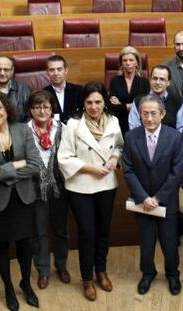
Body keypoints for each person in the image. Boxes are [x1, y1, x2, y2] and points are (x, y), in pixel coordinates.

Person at [58, 82, 124, 301]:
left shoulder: (113, 121)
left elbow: (120, 146)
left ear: (105, 101)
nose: (94, 107)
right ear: (83, 103)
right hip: (80, 185)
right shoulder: (73, 125)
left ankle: (101, 271)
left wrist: (114, 158)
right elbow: (64, 158)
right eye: (89, 102)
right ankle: (87, 278)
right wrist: (91, 168)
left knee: (104, 230)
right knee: (87, 232)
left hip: (106, 184)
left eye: (98, 102)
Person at [123, 94, 183, 296]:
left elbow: (177, 172)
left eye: (153, 113)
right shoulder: (131, 137)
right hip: (143, 202)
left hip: (166, 202)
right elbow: (128, 169)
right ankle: (147, 273)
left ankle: (172, 274)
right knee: (146, 242)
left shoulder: (175, 137)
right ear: (139, 114)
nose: (149, 118)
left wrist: (157, 198)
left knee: (169, 242)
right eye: (144, 113)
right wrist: (143, 197)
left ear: (163, 114)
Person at [0, 90, 40, 311]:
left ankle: (25, 284)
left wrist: (1, 173)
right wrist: (14, 166)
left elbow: (34, 165)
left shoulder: (22, 130)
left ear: (6, 109)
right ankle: (9, 289)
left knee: (25, 245)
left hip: (23, 199)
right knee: (1, 246)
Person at [27, 90, 71, 290]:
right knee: (39, 232)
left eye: (45, 106)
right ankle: (43, 270)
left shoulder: (63, 128)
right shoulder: (24, 131)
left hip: (60, 190)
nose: (42, 110)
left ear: (52, 108)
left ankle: (61, 266)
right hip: (35, 191)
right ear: (31, 110)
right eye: (37, 107)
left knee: (60, 231)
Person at [128, 64, 183, 132]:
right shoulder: (138, 101)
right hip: (143, 141)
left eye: (162, 79)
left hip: (170, 141)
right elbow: (134, 129)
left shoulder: (177, 101)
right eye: (155, 78)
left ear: (168, 82)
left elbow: (180, 130)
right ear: (150, 80)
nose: (157, 82)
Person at [109, 46, 150, 134]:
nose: (128, 63)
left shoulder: (144, 82)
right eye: (125, 60)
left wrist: (122, 105)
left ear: (137, 62)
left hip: (139, 124)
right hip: (118, 125)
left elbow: (144, 106)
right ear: (121, 63)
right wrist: (133, 105)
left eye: (131, 60)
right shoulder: (115, 81)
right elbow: (113, 107)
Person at [43, 55, 83, 124]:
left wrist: (56, 116)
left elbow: (82, 114)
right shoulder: (43, 94)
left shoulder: (79, 90)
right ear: (47, 72)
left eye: (59, 69)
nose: (56, 73)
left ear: (66, 70)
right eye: (52, 70)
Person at [0, 56, 31, 122]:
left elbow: (30, 116)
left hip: (20, 130)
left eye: (6, 70)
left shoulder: (24, 89)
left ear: (12, 70)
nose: (2, 73)